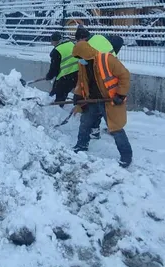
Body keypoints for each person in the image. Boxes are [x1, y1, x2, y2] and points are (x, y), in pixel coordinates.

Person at [71, 40, 133, 168]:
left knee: (115, 128)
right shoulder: (83, 64)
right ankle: (81, 146)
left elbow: (124, 75)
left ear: (86, 53)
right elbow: (81, 82)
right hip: (91, 100)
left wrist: (120, 94)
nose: (80, 60)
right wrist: (78, 94)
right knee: (85, 123)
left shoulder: (106, 59)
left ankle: (126, 156)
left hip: (110, 100)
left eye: (80, 57)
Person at [73, 26, 124, 138]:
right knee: (102, 106)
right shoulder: (99, 37)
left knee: (99, 105)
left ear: (82, 38)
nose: (77, 44)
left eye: (78, 41)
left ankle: (112, 131)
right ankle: (104, 129)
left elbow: (87, 67)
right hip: (112, 73)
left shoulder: (88, 47)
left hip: (103, 77)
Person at [44, 31, 78, 105]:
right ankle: (52, 96)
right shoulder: (71, 43)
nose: (51, 43)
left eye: (52, 41)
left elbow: (54, 69)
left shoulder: (56, 51)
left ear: (55, 41)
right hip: (78, 73)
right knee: (58, 87)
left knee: (60, 92)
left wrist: (49, 76)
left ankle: (58, 107)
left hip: (67, 76)